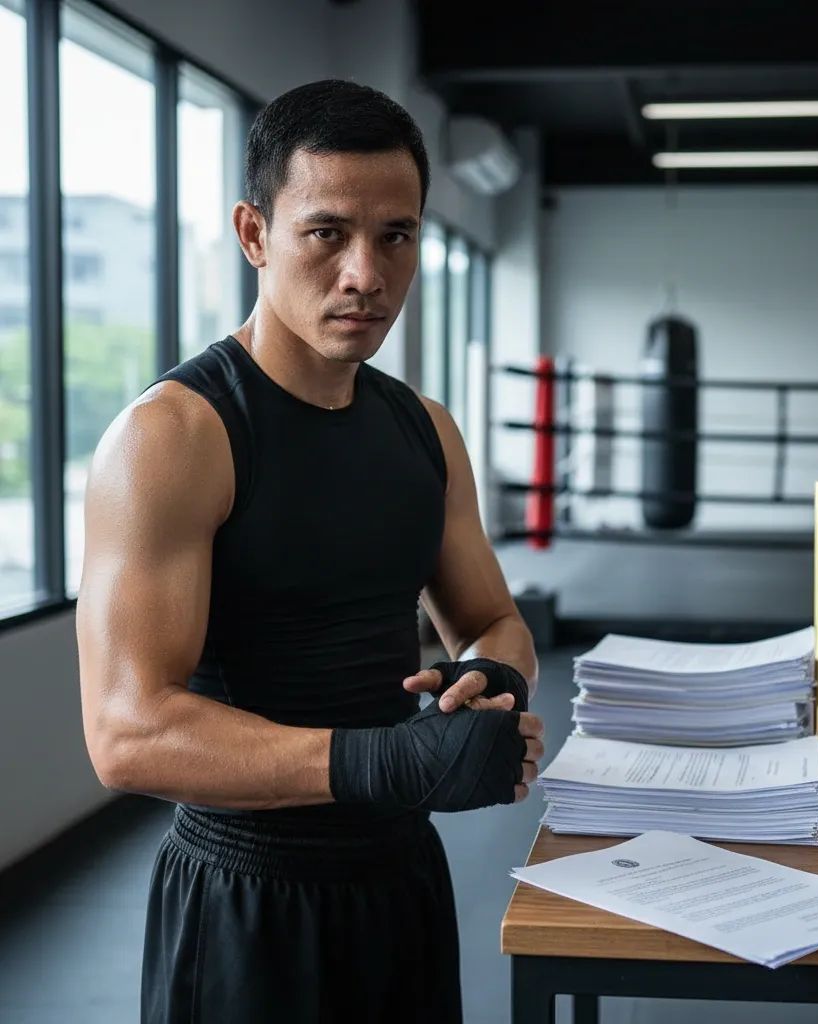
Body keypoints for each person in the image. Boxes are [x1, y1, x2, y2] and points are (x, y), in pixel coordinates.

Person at [75, 78, 544, 1024]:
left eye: (396, 237)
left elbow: (492, 618)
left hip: (403, 879)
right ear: (255, 234)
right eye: (327, 232)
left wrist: (491, 688)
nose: (366, 273)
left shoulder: (427, 432)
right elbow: (125, 733)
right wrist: (394, 765)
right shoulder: (175, 436)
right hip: (249, 897)